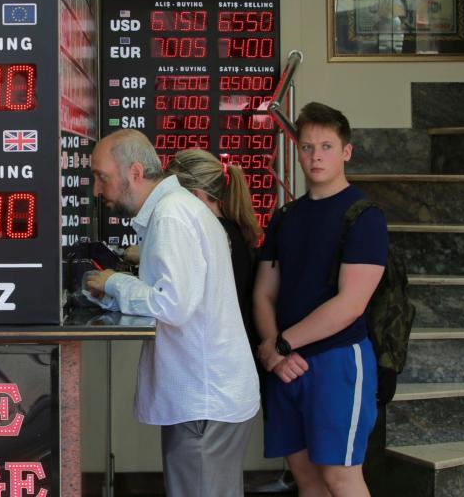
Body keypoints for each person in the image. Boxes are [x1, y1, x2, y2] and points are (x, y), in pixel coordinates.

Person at [84, 130, 259, 497]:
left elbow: (172, 305)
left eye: (102, 177)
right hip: (205, 397)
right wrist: (109, 293)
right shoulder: (175, 209)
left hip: (204, 399)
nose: (98, 191)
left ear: (134, 172)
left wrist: (115, 282)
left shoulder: (171, 216)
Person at [253, 102, 388, 497]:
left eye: (327, 146)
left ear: (346, 151)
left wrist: (280, 344)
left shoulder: (364, 216)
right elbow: (263, 291)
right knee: (307, 478)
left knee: (339, 477)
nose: (316, 156)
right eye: (308, 147)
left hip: (337, 360)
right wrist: (272, 348)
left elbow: (350, 304)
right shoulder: (286, 216)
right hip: (284, 364)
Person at [124, 148, 262, 347]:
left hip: (215, 356)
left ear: (192, 196)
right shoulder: (231, 230)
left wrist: (116, 283)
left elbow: (173, 302)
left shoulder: (219, 234)